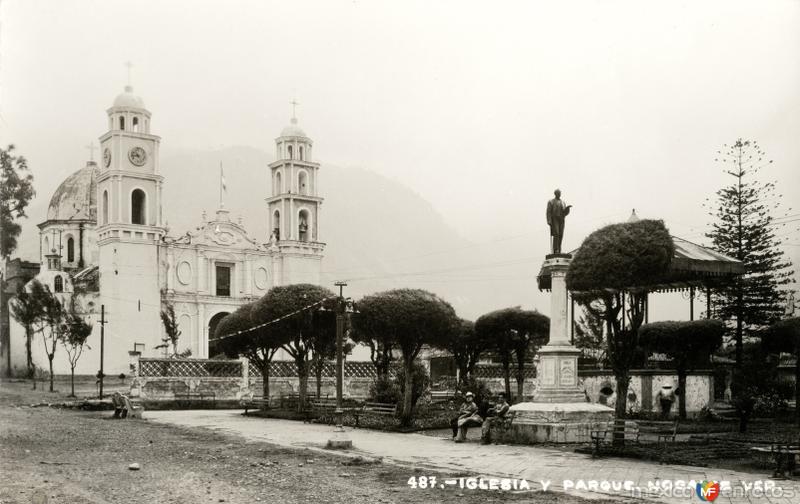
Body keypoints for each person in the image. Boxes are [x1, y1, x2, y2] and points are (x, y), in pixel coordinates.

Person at [546, 189, 572, 254]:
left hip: (562, 220)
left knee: (561, 234)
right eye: (558, 193)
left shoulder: (563, 202)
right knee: (556, 233)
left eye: (560, 193)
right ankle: (556, 249)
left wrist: (568, 209)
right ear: (555, 194)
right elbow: (548, 212)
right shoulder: (551, 201)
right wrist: (549, 220)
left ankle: (559, 249)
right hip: (555, 219)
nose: (560, 194)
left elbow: (565, 213)